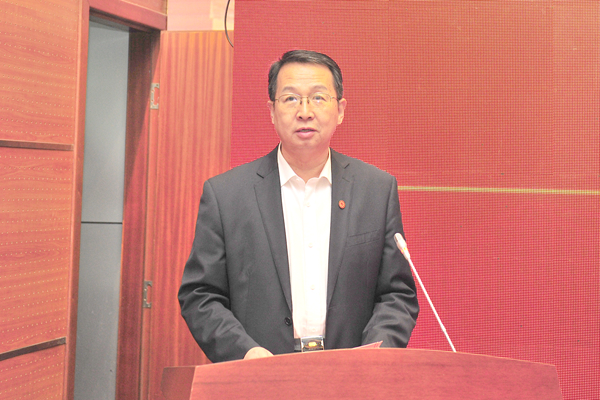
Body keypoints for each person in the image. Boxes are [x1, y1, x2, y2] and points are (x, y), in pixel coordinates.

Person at [178, 50, 419, 363]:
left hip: (353, 374)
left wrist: (373, 357)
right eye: (291, 99)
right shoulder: (226, 195)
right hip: (261, 375)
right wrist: (245, 352)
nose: (305, 112)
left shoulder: (376, 190)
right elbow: (200, 296)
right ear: (272, 111)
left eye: (318, 97)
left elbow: (397, 295)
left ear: (340, 110)